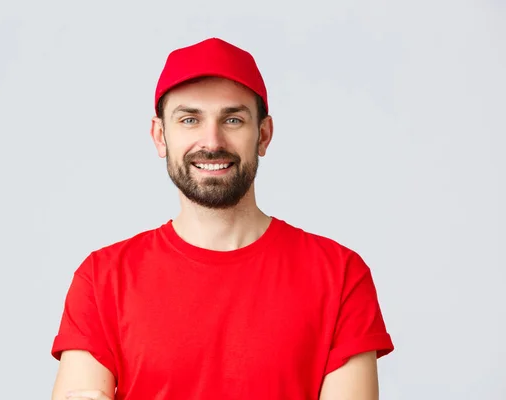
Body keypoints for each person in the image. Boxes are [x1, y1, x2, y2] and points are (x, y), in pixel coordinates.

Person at [50, 37, 394, 400]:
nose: (211, 140)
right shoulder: (102, 278)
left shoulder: (339, 275)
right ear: (159, 136)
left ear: (263, 135)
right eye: (189, 119)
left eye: (232, 119)